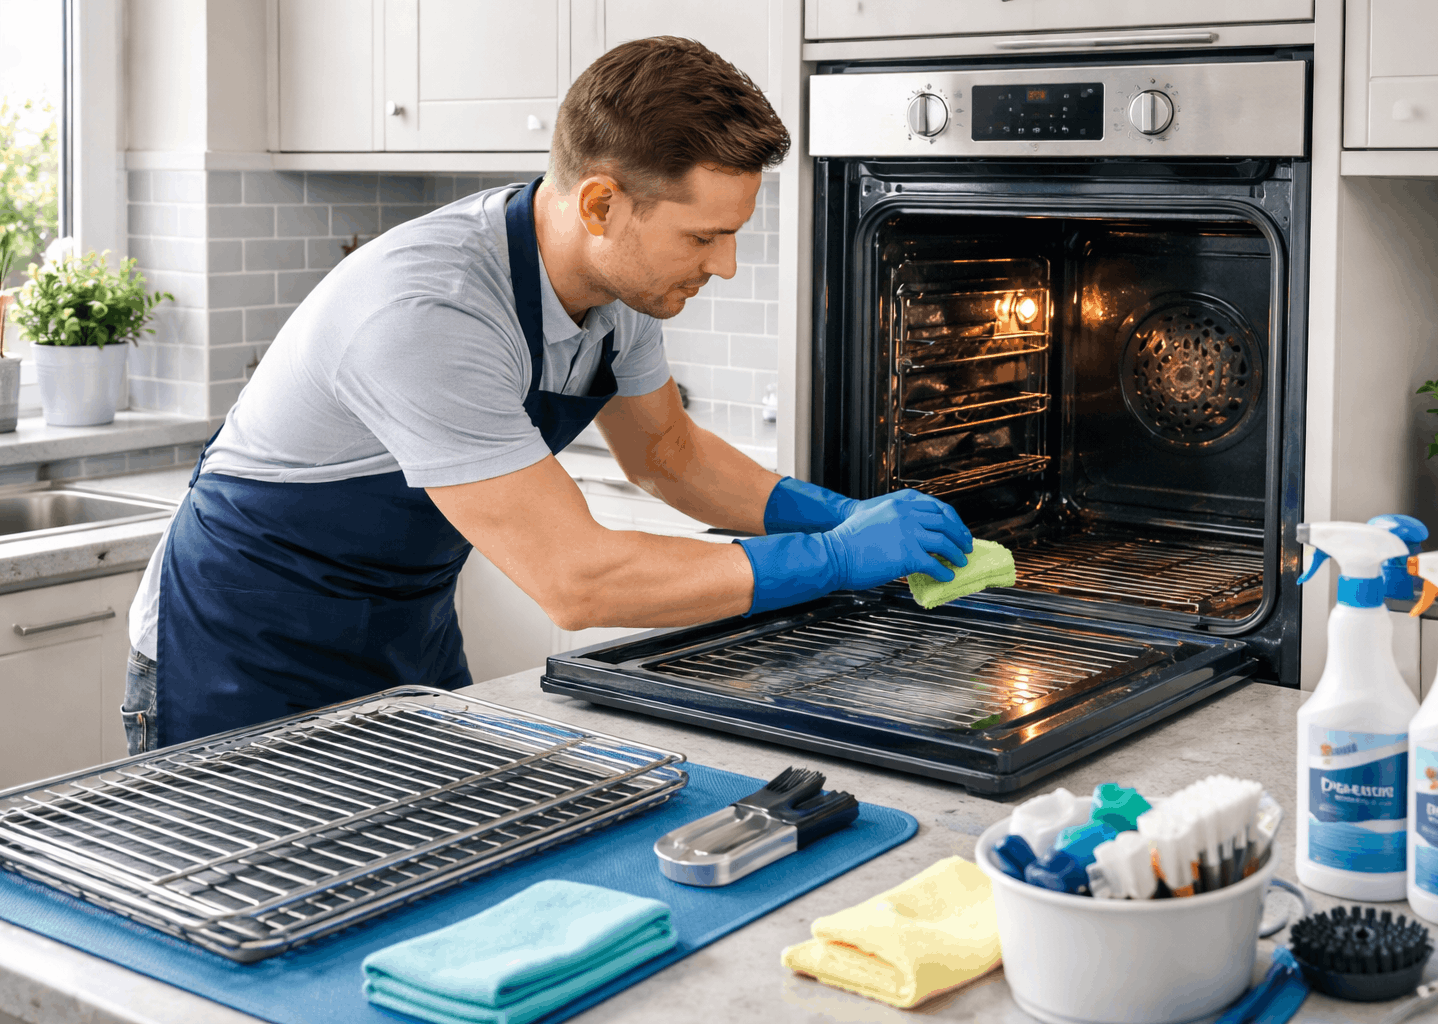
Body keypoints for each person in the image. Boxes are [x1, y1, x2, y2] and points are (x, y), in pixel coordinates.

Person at [122, 36, 972, 754]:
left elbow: (667, 455)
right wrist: (833, 560)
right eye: (705, 236)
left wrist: (836, 515)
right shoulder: (430, 311)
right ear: (601, 202)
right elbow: (578, 581)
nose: (725, 266)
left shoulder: (619, 292)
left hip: (401, 647)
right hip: (237, 661)